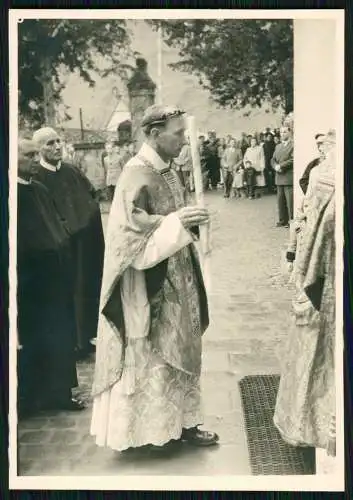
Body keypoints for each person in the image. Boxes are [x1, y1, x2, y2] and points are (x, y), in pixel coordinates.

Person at [90, 104, 219, 452]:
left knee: (182, 350)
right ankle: (149, 431)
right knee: (154, 357)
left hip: (179, 278)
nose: (184, 140)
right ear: (152, 134)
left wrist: (190, 222)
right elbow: (130, 241)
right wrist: (179, 223)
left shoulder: (169, 172)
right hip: (149, 285)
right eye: (177, 134)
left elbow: (176, 220)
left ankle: (184, 422)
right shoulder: (135, 175)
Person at [274, 130, 336, 455]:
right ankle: (305, 419)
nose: (322, 146)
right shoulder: (320, 173)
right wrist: (291, 255)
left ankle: (311, 421)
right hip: (318, 273)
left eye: (325, 142)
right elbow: (304, 220)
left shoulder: (326, 176)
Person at [17, 139, 84, 414]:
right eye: (29, 154)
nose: (35, 159)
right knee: (34, 339)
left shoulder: (40, 189)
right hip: (31, 284)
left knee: (60, 336)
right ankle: (31, 397)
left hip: (54, 281)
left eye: (36, 154)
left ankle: (60, 393)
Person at [32, 127, 105, 360]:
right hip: (62, 248)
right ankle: (72, 342)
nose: (55, 147)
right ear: (39, 149)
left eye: (57, 141)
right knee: (65, 293)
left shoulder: (73, 171)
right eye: (49, 144)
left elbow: (91, 198)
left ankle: (86, 337)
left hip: (84, 246)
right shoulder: (37, 178)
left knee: (86, 289)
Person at [272, 126, 294, 228]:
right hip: (279, 176)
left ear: (289, 133)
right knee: (280, 200)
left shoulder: (293, 145)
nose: (282, 134)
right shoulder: (278, 146)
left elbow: (293, 159)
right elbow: (272, 159)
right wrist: (275, 166)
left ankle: (291, 221)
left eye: (285, 132)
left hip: (288, 176)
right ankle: (282, 220)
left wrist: (281, 166)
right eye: (281, 132)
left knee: (290, 201)